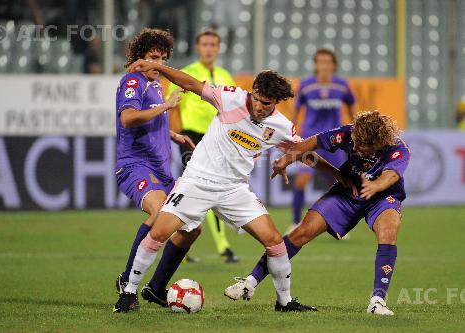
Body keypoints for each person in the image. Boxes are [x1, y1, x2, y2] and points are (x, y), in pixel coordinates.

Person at [113, 58, 319, 313]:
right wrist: (161, 69)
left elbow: (307, 152)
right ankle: (129, 291)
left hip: (234, 189)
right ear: (252, 91)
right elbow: (190, 83)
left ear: (275, 103)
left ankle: (285, 302)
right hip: (197, 182)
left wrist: (337, 175)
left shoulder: (281, 126)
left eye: (266, 103)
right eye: (256, 98)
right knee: (158, 233)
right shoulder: (230, 98)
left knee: (275, 241)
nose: (258, 105)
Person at [224, 111, 409, 316]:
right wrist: (285, 161)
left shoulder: (397, 149)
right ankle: (249, 282)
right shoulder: (348, 133)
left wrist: (376, 186)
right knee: (301, 232)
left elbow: (392, 175)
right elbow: (310, 144)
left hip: (383, 197)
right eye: (354, 142)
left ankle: (377, 301)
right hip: (348, 192)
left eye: (361, 146)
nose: (355, 147)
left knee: (388, 232)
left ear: (377, 143)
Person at [113, 28, 199, 312]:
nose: (158, 64)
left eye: (162, 58)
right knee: (161, 212)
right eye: (153, 57)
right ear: (140, 57)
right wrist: (166, 106)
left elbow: (150, 121)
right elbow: (127, 119)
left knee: (191, 227)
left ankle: (157, 287)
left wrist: (173, 135)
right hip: (135, 166)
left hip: (161, 170)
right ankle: (127, 283)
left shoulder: (156, 82)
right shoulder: (133, 81)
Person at [167, 29, 239, 263]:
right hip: (191, 138)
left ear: (218, 48)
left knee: (210, 188)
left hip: (218, 140)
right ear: (198, 48)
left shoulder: (225, 75)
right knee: (197, 187)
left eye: (213, 45)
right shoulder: (186, 74)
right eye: (205, 44)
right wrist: (175, 135)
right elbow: (172, 107)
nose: (209, 49)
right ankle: (219, 246)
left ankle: (199, 241)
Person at [291, 49, 356, 229]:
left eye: (328, 62)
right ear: (315, 64)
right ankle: (296, 222)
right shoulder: (306, 85)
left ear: (334, 65)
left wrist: (356, 132)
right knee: (301, 181)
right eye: (321, 62)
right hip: (310, 141)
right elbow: (296, 110)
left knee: (337, 183)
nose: (324, 66)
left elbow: (352, 108)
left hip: (334, 142)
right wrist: (291, 133)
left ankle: (339, 223)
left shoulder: (342, 85)